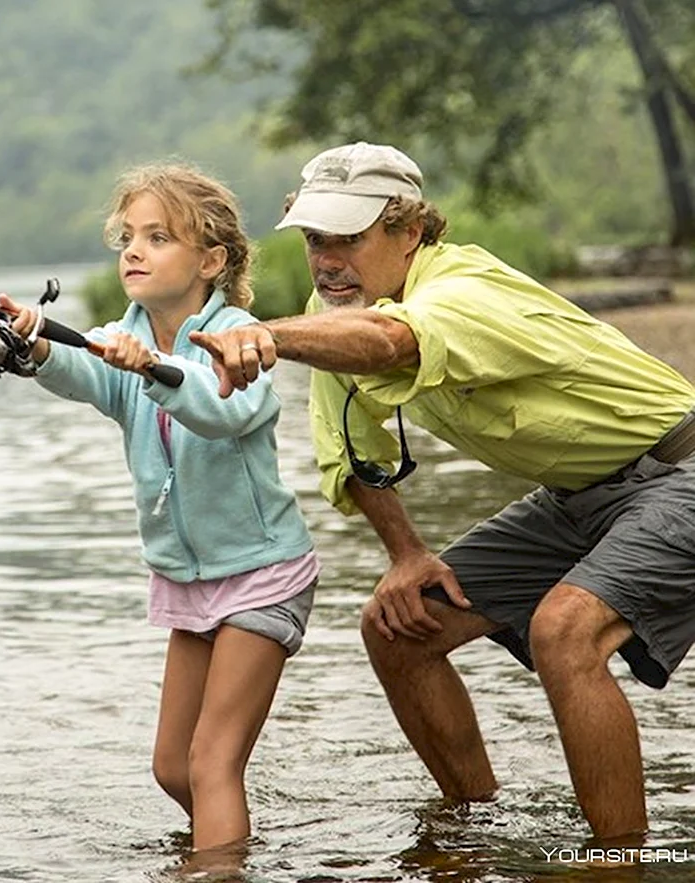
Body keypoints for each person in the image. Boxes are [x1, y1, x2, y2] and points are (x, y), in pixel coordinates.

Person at [189, 141, 695, 843]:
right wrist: (406, 554)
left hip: (681, 469)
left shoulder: (461, 290)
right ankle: (473, 830)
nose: (328, 257)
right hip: (576, 495)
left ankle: (618, 863)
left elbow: (393, 341)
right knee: (397, 627)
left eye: (349, 237)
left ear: (411, 231)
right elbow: (352, 454)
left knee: (564, 629)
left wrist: (262, 333)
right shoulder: (333, 315)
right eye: (314, 238)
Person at [0, 162, 320, 861]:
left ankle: (217, 865)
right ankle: (235, 848)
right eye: (127, 237)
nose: (133, 251)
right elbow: (81, 368)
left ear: (211, 260)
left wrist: (149, 370)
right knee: (174, 767)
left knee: (211, 763)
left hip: (264, 572)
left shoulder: (240, 336)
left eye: (157, 237)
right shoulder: (124, 333)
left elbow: (219, 407)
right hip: (188, 579)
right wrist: (34, 343)